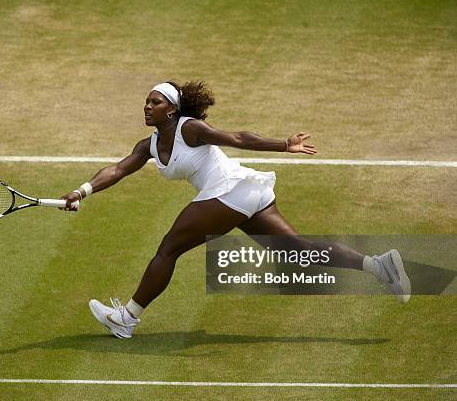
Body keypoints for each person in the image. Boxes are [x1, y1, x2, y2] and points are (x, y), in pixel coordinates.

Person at [61, 81, 411, 339]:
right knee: (298, 250)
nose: (147, 107)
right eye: (146, 102)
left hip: (228, 190)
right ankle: (377, 265)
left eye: (155, 102)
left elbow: (238, 138)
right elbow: (117, 170)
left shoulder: (189, 128)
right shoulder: (148, 145)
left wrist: (283, 145)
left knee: (169, 248)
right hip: (243, 195)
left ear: (172, 109)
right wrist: (82, 191)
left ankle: (127, 317)